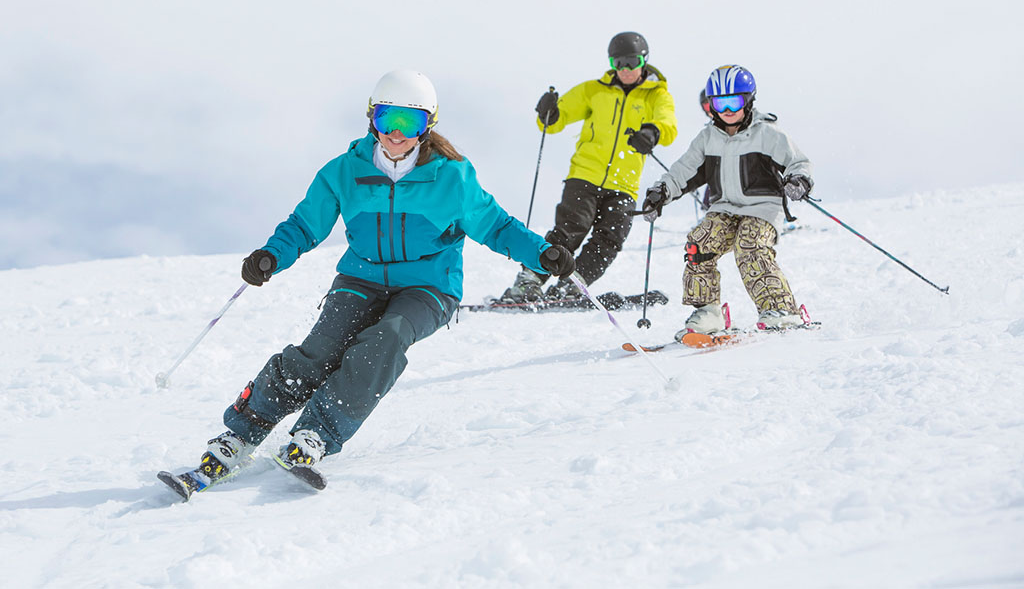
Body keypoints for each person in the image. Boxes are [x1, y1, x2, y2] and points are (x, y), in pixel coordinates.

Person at [161, 71, 575, 496]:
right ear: (371, 119)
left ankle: (315, 434)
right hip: (360, 277)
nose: (396, 133)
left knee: (385, 339)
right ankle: (240, 434)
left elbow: (497, 226)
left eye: (409, 123)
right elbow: (306, 223)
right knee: (319, 351)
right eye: (387, 119)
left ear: (427, 125)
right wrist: (271, 257)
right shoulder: (344, 172)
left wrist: (541, 253)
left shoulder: (453, 177)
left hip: (429, 287)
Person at [499, 31, 677, 303]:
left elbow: (668, 125)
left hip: (623, 183)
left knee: (611, 237)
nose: (626, 69)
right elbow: (557, 119)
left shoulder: (657, 96)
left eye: (632, 62)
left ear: (644, 60)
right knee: (570, 230)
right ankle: (529, 280)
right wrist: (549, 112)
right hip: (585, 175)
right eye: (619, 63)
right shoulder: (594, 90)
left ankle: (572, 284)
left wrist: (652, 132)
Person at [641, 65, 813, 340]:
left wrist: (799, 181)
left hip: (762, 208)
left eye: (734, 101)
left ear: (749, 99)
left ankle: (781, 310)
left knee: (751, 245)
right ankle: (708, 312)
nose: (727, 109)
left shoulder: (767, 133)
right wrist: (660, 192)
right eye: (719, 103)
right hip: (724, 208)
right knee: (700, 243)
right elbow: (683, 172)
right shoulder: (707, 138)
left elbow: (798, 162)